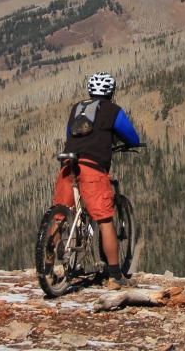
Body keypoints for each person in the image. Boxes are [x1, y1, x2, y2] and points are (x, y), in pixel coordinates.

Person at [52, 71, 140, 285]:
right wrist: (131, 143)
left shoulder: (77, 108)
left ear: (90, 91)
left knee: (59, 215)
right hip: (92, 167)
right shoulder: (113, 111)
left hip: (68, 164)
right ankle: (115, 276)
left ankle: (48, 268)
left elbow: (69, 133)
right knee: (104, 219)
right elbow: (130, 135)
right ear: (111, 91)